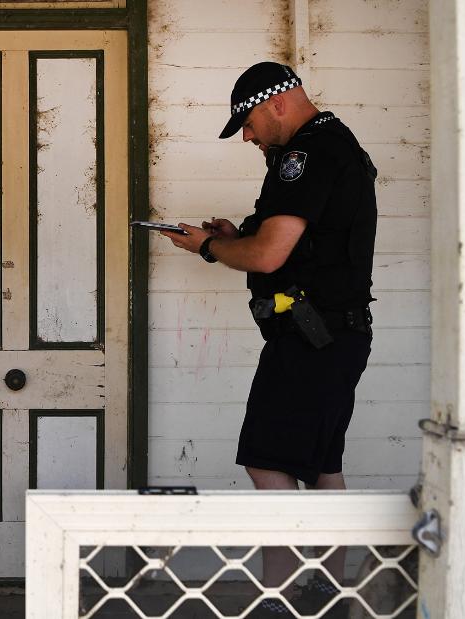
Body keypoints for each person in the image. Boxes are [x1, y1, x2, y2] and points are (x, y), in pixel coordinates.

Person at [159, 62, 377, 617]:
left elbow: (270, 255)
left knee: (265, 458)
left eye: (249, 124)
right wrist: (235, 234)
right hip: (334, 336)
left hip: (310, 337)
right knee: (323, 464)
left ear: (277, 102)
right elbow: (295, 239)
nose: (249, 137)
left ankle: (280, 599)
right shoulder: (328, 145)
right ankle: (329, 591)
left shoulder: (307, 153)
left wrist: (208, 249)